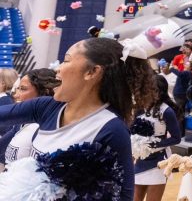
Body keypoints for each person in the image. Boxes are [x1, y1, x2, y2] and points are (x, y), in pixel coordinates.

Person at [0, 38, 157, 200]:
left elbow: (124, 195)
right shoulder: (46, 106)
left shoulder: (111, 128)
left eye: (66, 60)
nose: (58, 69)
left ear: (92, 72)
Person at [0, 68, 59, 172]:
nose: (16, 95)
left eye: (23, 89)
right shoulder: (21, 124)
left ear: (44, 93)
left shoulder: (45, 128)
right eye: (18, 89)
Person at [134, 75, 182, 201]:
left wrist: (154, 144)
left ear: (158, 91)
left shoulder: (167, 111)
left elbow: (177, 138)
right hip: (141, 160)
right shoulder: (139, 108)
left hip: (158, 162)